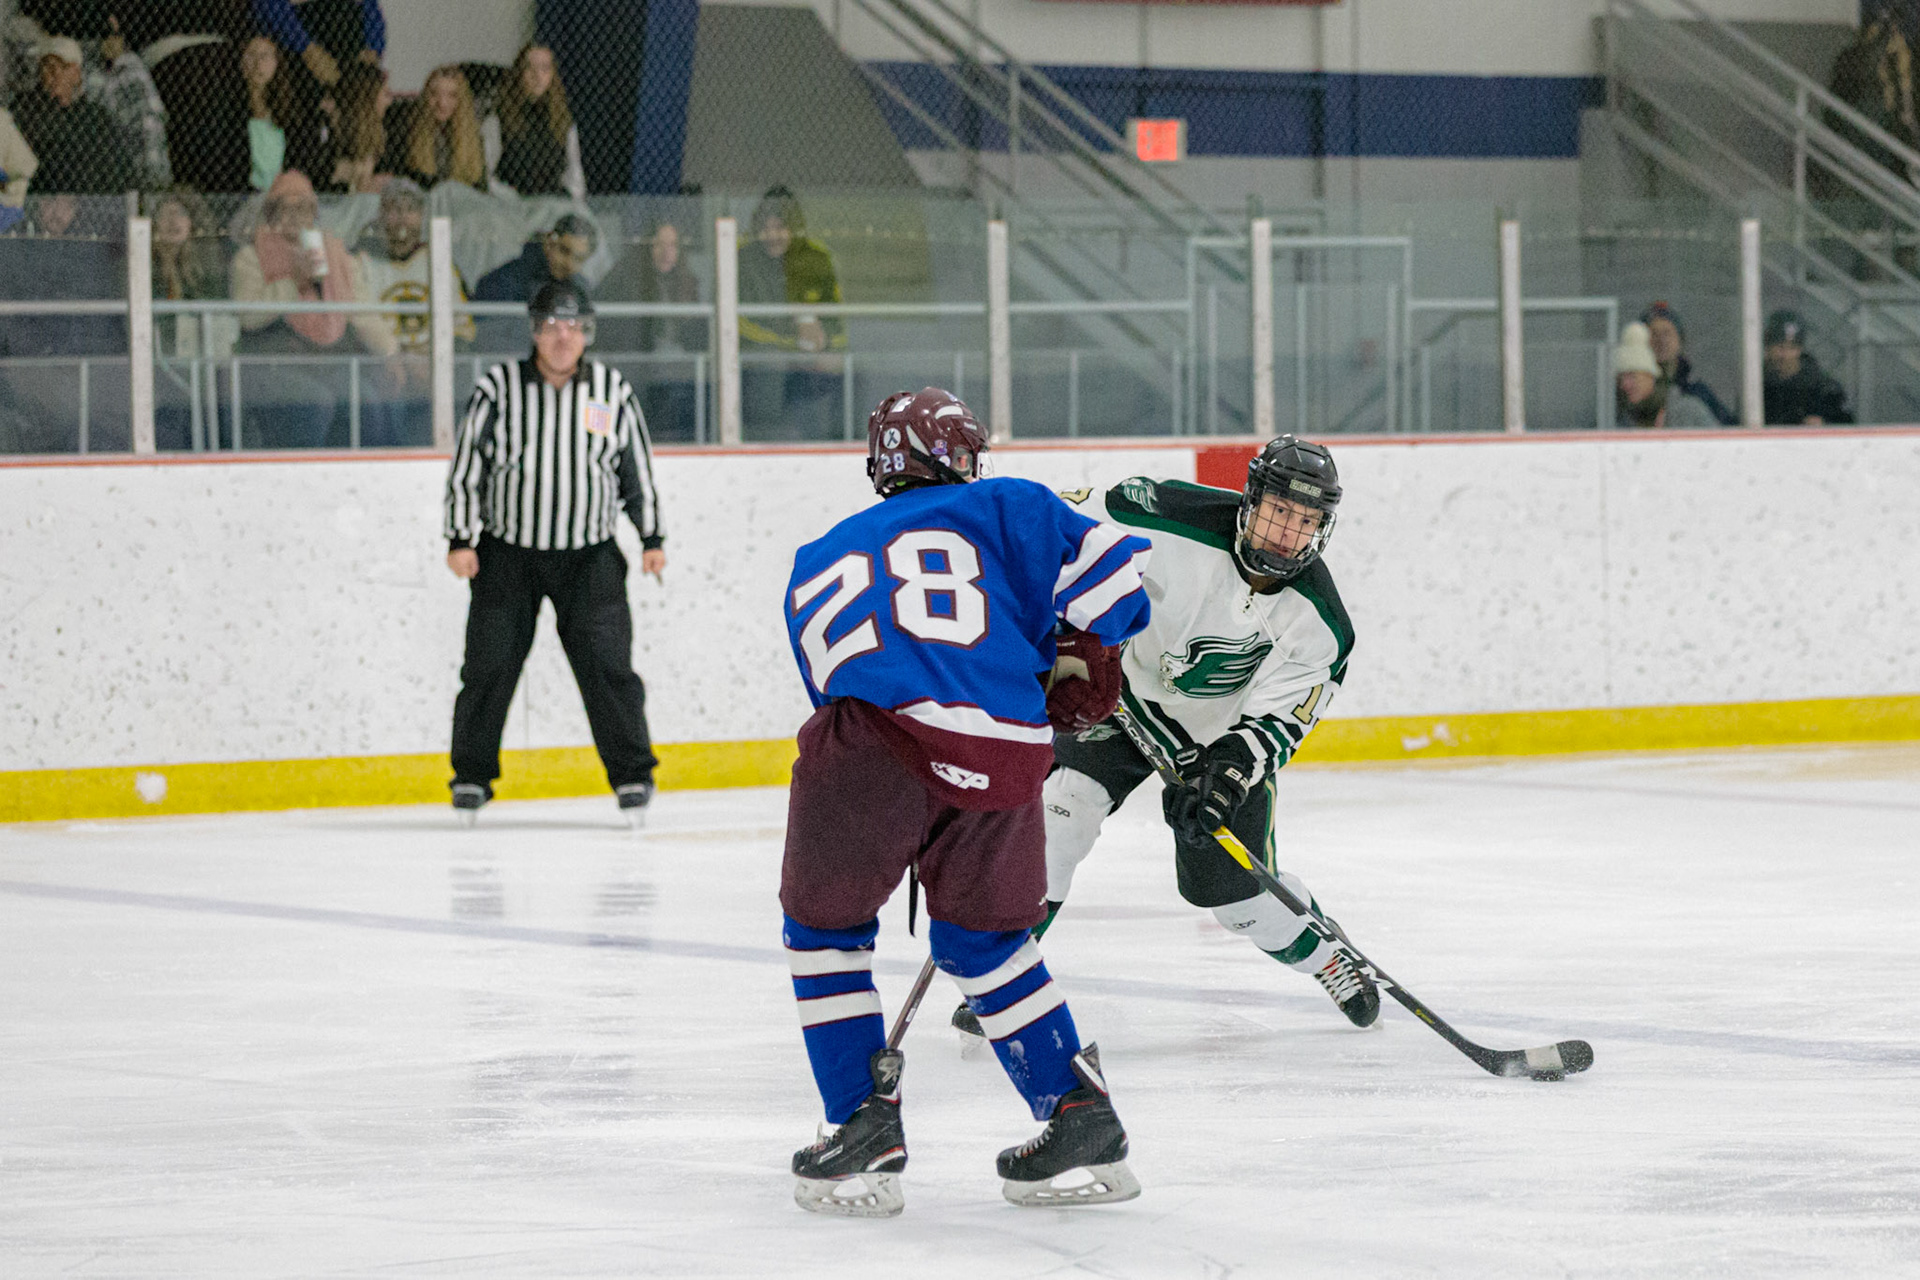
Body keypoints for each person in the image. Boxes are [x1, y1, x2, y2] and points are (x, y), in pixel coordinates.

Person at [781, 387, 1152, 1218]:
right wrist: (1075, 651)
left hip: (874, 744)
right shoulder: (1012, 504)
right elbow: (1120, 592)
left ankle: (859, 1122)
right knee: (985, 941)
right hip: (1006, 751)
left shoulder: (820, 554)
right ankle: (1078, 1114)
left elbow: (828, 678)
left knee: (825, 931)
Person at [947, 439, 1383, 1046]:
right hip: (1119, 697)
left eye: (1305, 520)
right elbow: (1058, 522)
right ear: (1251, 501)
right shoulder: (1162, 514)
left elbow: (1281, 719)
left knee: (1236, 900)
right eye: (1279, 511)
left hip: (1213, 742)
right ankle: (1007, 978)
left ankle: (1328, 955)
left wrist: (1228, 774)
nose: (1288, 532)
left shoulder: (1322, 622)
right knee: (1060, 815)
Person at [444, 280, 666, 826]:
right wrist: (460, 538)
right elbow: (467, 466)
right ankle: (471, 776)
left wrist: (651, 537)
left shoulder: (612, 391)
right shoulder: (498, 388)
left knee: (608, 667)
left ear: (587, 332)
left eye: (573, 326)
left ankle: (633, 775)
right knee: (489, 665)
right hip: (507, 555)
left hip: (589, 558)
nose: (562, 336)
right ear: (534, 332)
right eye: (551, 326)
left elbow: (635, 470)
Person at [229, 168, 395, 447]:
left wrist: (391, 353)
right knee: (314, 403)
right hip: (273, 364)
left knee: (366, 401)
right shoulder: (251, 257)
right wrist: (293, 282)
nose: (295, 216)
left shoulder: (333, 254)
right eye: (286, 208)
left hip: (326, 361)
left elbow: (362, 311)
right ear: (272, 214)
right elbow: (248, 316)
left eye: (303, 209)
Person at [353, 178, 471, 445]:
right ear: (380, 215)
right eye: (394, 210)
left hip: (432, 366)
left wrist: (436, 363)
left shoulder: (439, 260)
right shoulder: (362, 260)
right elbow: (360, 322)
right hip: (385, 365)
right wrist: (399, 358)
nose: (402, 219)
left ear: (422, 217)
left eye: (410, 210)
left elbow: (463, 327)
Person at [739, 187, 844, 439]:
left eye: (780, 227)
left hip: (809, 356)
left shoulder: (818, 257)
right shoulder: (743, 258)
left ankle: (821, 443)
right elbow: (737, 321)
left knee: (838, 368)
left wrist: (825, 341)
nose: (772, 235)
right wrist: (792, 340)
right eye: (766, 228)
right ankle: (764, 441)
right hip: (765, 356)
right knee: (771, 365)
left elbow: (838, 319)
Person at [600, 217, 702, 440]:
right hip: (638, 366)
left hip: (675, 369)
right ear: (647, 247)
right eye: (659, 244)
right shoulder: (627, 279)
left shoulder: (688, 283)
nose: (666, 252)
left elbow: (697, 337)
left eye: (673, 245)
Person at [149, 186, 232, 450]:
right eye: (165, 214)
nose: (173, 221)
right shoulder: (144, 267)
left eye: (181, 213)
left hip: (201, 362)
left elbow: (219, 315)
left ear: (192, 223)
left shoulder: (205, 266)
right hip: (161, 367)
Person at [11, 37, 135, 194]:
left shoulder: (96, 117)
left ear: (76, 73)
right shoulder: (24, 110)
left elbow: (121, 170)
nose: (55, 73)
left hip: (87, 198)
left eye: (63, 66)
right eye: (48, 66)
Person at [472, 212, 595, 351]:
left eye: (578, 259)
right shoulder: (503, 282)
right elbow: (487, 339)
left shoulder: (580, 289)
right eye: (564, 251)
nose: (569, 264)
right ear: (549, 242)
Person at [482, 44, 584, 201]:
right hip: (510, 206)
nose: (538, 76)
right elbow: (486, 176)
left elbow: (574, 174)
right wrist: (512, 199)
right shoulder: (497, 120)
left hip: (552, 206)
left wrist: (569, 200)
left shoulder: (563, 121)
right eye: (530, 68)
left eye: (545, 68)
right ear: (519, 73)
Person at [88, 16, 172, 190]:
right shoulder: (92, 71)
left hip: (142, 165)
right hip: (111, 164)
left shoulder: (132, 70)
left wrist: (153, 175)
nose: (108, 42)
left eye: (114, 36)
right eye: (103, 36)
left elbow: (149, 124)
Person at [250, 0, 384, 89]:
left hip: (353, 64)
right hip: (298, 60)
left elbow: (371, 7)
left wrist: (373, 47)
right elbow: (267, 5)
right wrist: (307, 48)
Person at [1642, 301, 1735, 425]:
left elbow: (1729, 428)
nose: (1661, 341)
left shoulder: (1698, 393)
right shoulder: (1633, 393)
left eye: (1667, 333)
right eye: (1654, 334)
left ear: (1680, 340)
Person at [395, 64, 484, 192]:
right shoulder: (408, 133)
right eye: (434, 94)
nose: (442, 103)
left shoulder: (474, 138)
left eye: (452, 95)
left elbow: (480, 187)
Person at [1615, 322, 1716, 429]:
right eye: (1620, 378)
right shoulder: (1615, 418)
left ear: (1650, 376)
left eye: (1632, 376)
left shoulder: (1688, 411)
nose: (1625, 384)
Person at [1763, 310, 1855, 425]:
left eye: (1792, 348)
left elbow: (1847, 426)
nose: (1785, 355)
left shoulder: (1824, 389)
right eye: (1780, 347)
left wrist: (1825, 425)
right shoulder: (1756, 385)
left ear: (1800, 349)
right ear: (1768, 347)